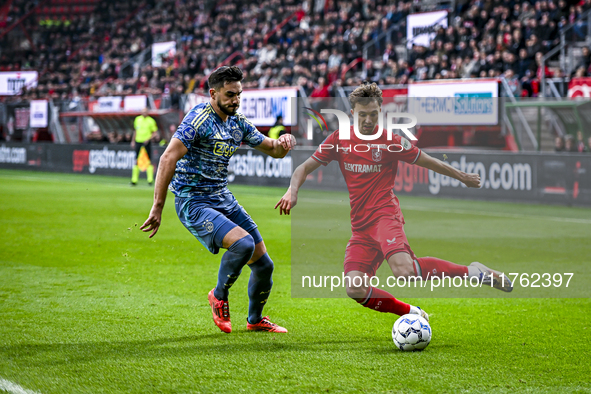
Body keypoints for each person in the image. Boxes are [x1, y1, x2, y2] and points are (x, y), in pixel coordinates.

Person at [275, 82, 512, 322]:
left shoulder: (391, 141)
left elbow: (429, 161)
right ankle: (412, 313)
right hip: (361, 227)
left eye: (373, 114)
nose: (368, 120)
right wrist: (292, 191)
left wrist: (463, 177)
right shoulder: (339, 140)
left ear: (380, 112)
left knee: (404, 271)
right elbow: (303, 168)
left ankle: (474, 272)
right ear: (352, 114)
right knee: (354, 288)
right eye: (362, 114)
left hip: (385, 216)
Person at [140, 66, 296, 334]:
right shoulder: (198, 119)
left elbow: (273, 150)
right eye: (230, 94)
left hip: (222, 198)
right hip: (194, 201)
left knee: (264, 266)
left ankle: (255, 320)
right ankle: (219, 296)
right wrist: (157, 207)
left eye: (239, 94)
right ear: (213, 93)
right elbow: (167, 158)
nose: (235, 100)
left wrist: (283, 142)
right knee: (243, 244)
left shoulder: (238, 123)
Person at [131, 108, 159, 185]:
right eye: (143, 112)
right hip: (138, 141)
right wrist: (133, 141)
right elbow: (135, 131)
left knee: (149, 160)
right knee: (136, 160)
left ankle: (150, 180)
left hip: (147, 142)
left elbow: (155, 132)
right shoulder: (137, 119)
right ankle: (134, 180)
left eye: (145, 112)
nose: (144, 113)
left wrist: (148, 139)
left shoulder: (151, 121)